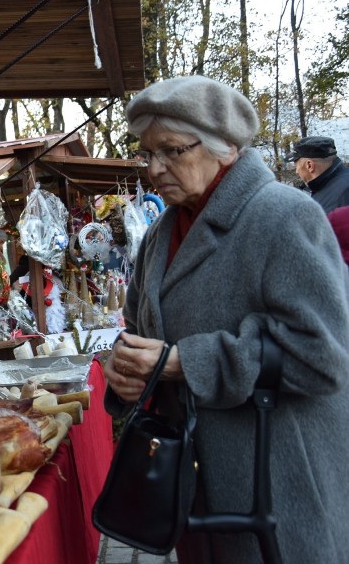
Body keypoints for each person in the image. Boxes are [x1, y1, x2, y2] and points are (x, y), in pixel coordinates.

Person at [104, 75, 349, 563]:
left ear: (227, 148)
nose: (154, 168)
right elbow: (139, 330)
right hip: (197, 495)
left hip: (279, 490)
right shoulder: (159, 236)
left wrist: (183, 362)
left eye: (172, 150)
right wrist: (129, 371)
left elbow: (322, 357)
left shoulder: (284, 216)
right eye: (147, 153)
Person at [287, 135, 349, 213]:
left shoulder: (343, 193)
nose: (296, 171)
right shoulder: (326, 187)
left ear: (309, 165)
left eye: (296, 166)